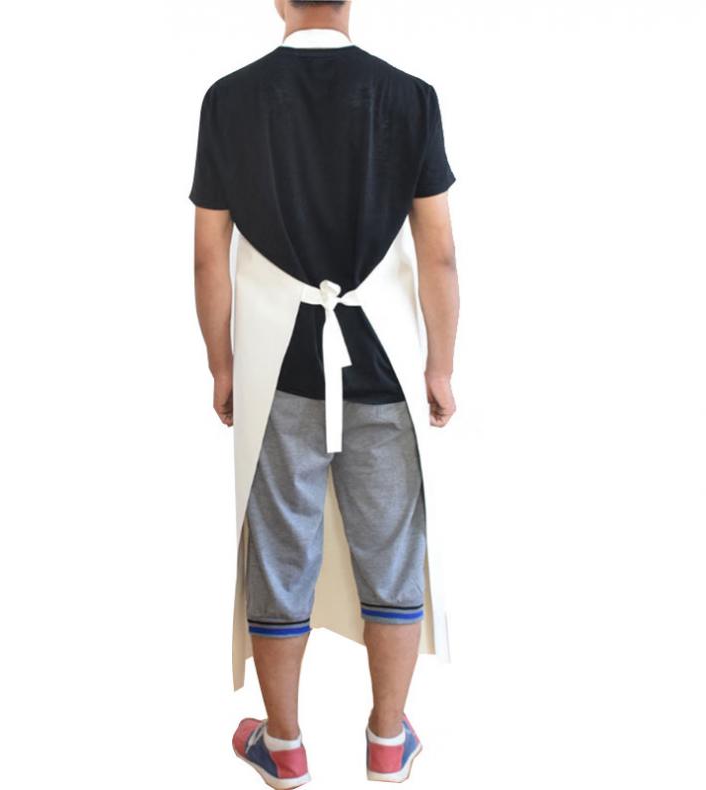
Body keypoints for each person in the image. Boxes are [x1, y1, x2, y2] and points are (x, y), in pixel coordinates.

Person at [190, 1, 459, 785]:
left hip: (279, 371)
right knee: (392, 555)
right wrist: (440, 366)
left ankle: (283, 748)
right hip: (382, 371)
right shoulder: (409, 97)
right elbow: (439, 254)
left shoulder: (230, 100)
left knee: (280, 558)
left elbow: (209, 256)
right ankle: (387, 742)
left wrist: (221, 364)